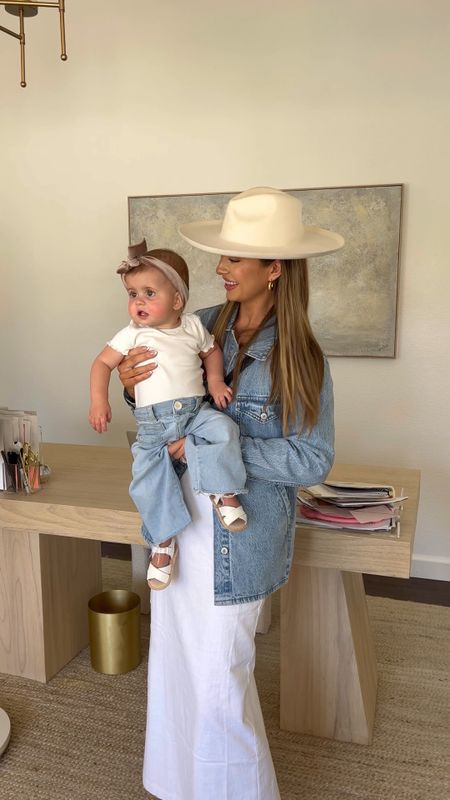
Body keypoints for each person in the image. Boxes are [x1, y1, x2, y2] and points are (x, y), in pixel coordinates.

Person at [118, 187, 344, 799]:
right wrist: (131, 384)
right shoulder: (196, 323)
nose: (220, 268)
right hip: (176, 525)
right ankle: (177, 787)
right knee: (175, 670)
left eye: (235, 258)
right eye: (220, 255)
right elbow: (161, 403)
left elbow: (310, 458)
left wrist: (213, 450)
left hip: (236, 540)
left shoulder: (301, 355)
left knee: (220, 683)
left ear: (275, 269)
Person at [89, 241, 248, 590]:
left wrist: (217, 381)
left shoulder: (193, 326)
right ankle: (162, 542)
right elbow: (102, 363)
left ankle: (225, 492)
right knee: (147, 480)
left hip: (195, 412)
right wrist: (101, 400)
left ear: (177, 300)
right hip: (152, 424)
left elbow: (212, 352)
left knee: (223, 429)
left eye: (149, 292)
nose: (138, 302)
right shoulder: (131, 333)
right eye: (133, 293)